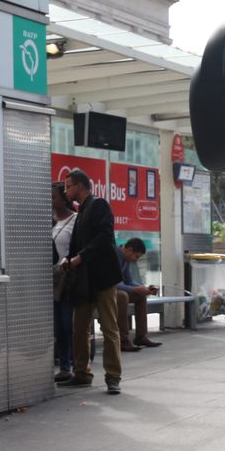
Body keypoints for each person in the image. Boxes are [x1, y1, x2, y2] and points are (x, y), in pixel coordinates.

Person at [60, 169, 124, 394]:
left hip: (103, 278)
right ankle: (82, 373)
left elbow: (105, 237)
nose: (66, 191)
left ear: (80, 186)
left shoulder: (99, 205)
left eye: (68, 186)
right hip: (84, 280)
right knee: (79, 327)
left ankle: (113, 377)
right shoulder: (82, 211)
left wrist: (80, 257)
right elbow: (77, 244)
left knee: (109, 328)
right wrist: (69, 259)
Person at [116, 238, 163, 350]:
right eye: (136, 256)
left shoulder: (126, 259)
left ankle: (141, 336)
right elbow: (113, 283)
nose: (136, 260)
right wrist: (135, 289)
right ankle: (123, 340)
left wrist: (143, 288)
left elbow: (128, 281)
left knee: (140, 295)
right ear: (129, 250)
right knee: (123, 296)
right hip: (108, 290)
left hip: (119, 288)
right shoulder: (115, 255)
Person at [51, 182, 78, 382]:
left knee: (69, 322)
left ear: (64, 198)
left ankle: (76, 363)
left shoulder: (75, 220)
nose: (50, 201)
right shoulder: (48, 220)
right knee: (57, 324)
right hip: (49, 278)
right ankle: (64, 366)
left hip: (67, 278)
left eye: (53, 197)